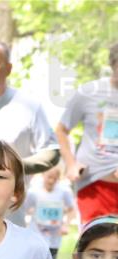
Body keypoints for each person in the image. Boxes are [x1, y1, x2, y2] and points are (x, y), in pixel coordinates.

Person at [0, 40, 59, 226]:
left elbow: (52, 152)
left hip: (10, 218)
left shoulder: (29, 106)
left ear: (8, 68)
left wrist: (13, 166)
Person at [56, 43, 118, 222]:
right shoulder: (89, 92)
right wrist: (71, 164)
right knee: (93, 243)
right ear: (113, 64)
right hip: (94, 183)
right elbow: (61, 129)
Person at [23, 166, 77, 259]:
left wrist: (66, 225)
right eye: (49, 177)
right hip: (36, 234)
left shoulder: (64, 191)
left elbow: (72, 209)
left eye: (55, 178)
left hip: (54, 237)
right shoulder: (33, 191)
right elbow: (25, 209)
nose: (51, 181)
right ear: (43, 175)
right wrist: (35, 212)